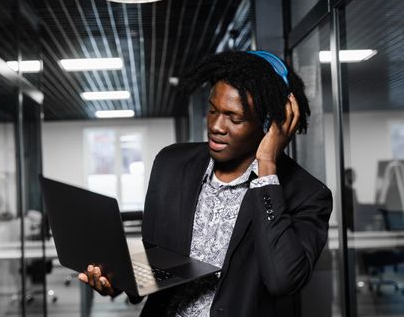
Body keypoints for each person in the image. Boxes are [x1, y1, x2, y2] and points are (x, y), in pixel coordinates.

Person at [78, 50, 333, 316]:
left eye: (234, 118)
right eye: (212, 110)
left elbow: (283, 280)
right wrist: (117, 282)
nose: (217, 126)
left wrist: (267, 167)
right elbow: (156, 258)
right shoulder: (171, 164)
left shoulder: (307, 194)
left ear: (270, 124)